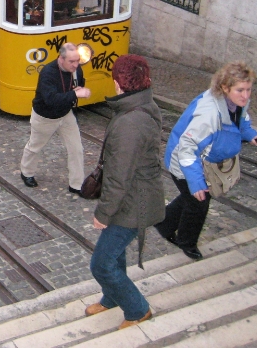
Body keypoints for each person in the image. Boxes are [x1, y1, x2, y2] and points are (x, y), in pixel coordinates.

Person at [85, 55, 163, 330]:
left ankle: (138, 309)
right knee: (115, 254)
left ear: (118, 84)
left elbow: (119, 176)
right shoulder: (140, 105)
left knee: (102, 264)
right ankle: (112, 297)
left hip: (133, 202)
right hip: (135, 195)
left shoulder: (131, 123)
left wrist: (103, 213)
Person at [155, 61, 257, 261]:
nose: (246, 95)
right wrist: (196, 182)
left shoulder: (238, 102)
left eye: (248, 89)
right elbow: (187, 149)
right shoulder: (210, 113)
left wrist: (250, 134)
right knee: (199, 202)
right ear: (225, 87)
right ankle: (187, 242)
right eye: (240, 90)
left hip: (205, 160)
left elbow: (242, 121)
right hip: (185, 163)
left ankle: (164, 223)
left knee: (191, 198)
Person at [19, 43, 91, 192]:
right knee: (35, 146)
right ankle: (27, 172)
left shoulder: (77, 70)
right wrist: (75, 94)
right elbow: (50, 99)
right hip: (45, 117)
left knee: (76, 148)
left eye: (77, 60)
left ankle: (76, 185)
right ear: (61, 59)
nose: (76, 65)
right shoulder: (48, 73)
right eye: (72, 62)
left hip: (66, 115)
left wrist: (78, 88)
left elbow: (79, 83)